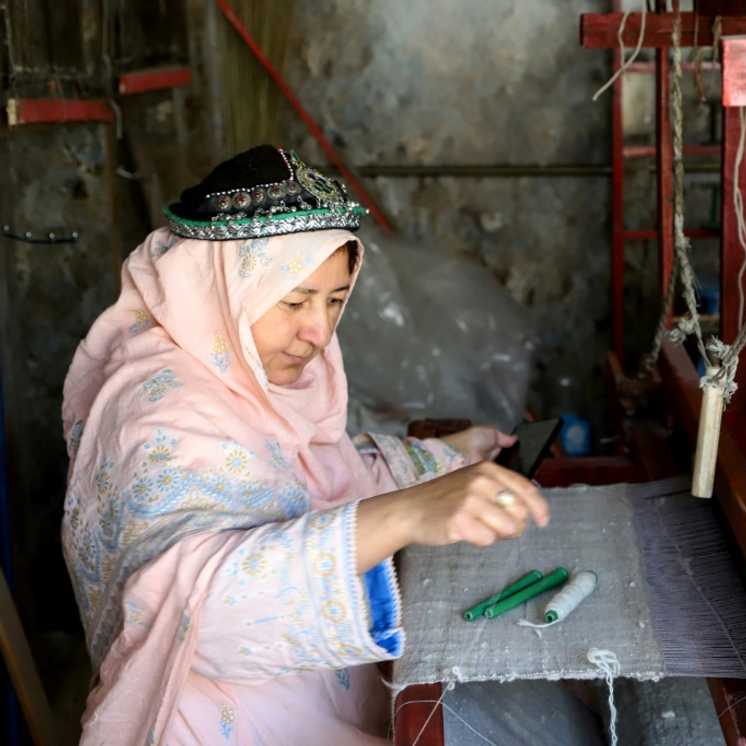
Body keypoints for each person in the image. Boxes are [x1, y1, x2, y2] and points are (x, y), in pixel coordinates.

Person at [61, 145, 549, 745]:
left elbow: (318, 479)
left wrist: (453, 457)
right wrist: (406, 513)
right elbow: (203, 614)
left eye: (335, 300)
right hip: (207, 717)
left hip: (296, 689)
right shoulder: (157, 413)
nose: (318, 332)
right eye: (294, 301)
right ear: (224, 289)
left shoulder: (247, 373)